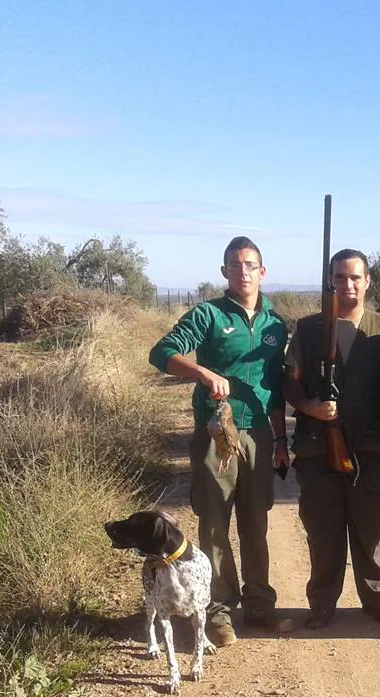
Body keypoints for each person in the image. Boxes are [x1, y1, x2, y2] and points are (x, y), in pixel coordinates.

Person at [149, 236, 293, 646]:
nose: (242, 272)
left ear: (262, 272)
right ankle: (218, 611)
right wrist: (201, 373)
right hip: (216, 435)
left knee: (256, 524)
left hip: (260, 437)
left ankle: (261, 606)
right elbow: (161, 353)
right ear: (224, 271)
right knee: (214, 526)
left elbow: (277, 388)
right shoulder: (208, 315)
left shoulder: (275, 324)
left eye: (250, 265)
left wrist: (281, 439)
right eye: (234, 265)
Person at [282, 249, 380, 629]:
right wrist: (307, 406)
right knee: (322, 532)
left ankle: (376, 600)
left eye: (355, 277)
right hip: (317, 449)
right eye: (339, 278)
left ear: (368, 281)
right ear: (330, 282)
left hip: (368, 450)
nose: (347, 285)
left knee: (371, 530)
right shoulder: (308, 329)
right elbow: (289, 379)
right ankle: (321, 604)